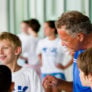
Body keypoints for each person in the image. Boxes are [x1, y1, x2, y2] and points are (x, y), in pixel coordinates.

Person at [43, 11, 92, 92]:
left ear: (79, 37)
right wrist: (59, 84)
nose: (62, 44)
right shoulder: (78, 50)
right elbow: (80, 88)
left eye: (65, 40)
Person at [37, 20, 67, 92]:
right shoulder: (42, 42)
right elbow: (39, 53)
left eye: (46, 28)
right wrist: (41, 62)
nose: (44, 30)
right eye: (43, 28)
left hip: (57, 72)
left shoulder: (60, 42)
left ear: (53, 29)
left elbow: (73, 55)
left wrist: (65, 66)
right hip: (45, 72)